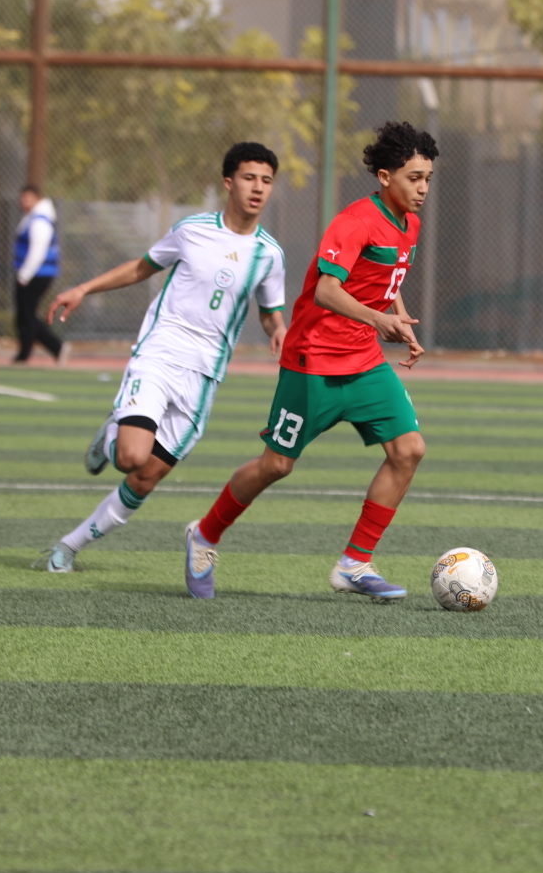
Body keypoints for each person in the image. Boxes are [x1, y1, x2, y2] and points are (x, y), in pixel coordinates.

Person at [179, 120, 435, 601]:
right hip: (312, 360)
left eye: (427, 179)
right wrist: (380, 320)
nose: (422, 188)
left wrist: (398, 319)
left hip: (364, 361)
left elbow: (388, 279)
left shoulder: (410, 224)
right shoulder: (355, 222)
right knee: (276, 465)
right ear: (385, 177)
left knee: (409, 450)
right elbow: (326, 290)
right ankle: (205, 534)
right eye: (414, 178)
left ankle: (354, 564)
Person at [35, 142, 288, 574]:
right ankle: (114, 433)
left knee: (146, 477)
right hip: (160, 353)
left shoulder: (270, 255)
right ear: (229, 183)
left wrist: (278, 329)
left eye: (266, 180)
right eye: (249, 178)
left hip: (203, 378)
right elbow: (142, 266)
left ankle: (69, 546)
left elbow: (269, 312)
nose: (258, 188)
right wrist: (83, 289)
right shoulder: (192, 230)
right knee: (131, 457)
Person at [12, 184, 68, 366]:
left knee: (26, 316)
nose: (24, 203)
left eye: (28, 199)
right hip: (35, 274)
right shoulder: (33, 218)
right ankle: (41, 350)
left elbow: (37, 251)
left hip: (37, 275)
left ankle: (48, 349)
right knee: (26, 315)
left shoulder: (39, 221)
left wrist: (24, 276)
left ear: (37, 199)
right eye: (22, 199)